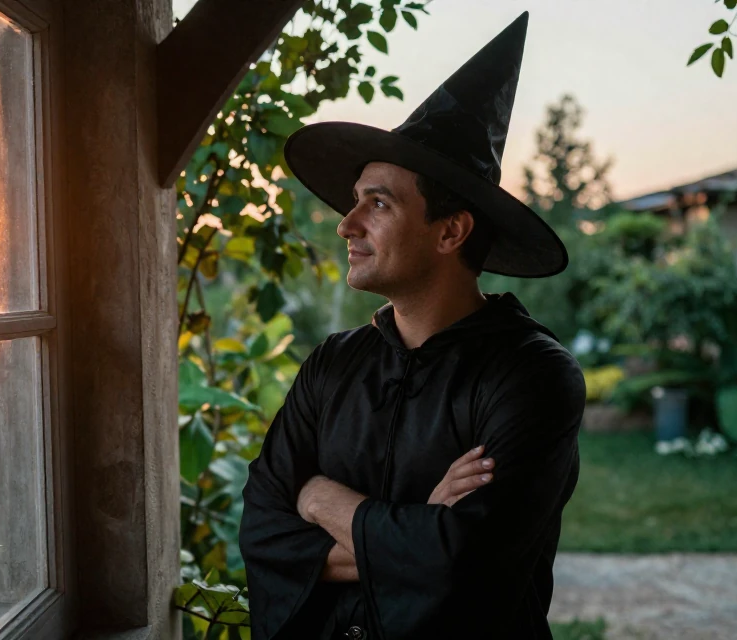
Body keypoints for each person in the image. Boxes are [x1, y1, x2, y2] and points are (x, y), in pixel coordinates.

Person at [238, 12, 585, 640]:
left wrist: (321, 501)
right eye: (355, 200)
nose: (346, 224)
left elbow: (468, 565)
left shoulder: (532, 376)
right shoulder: (333, 364)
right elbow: (262, 534)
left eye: (379, 202)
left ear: (451, 231)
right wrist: (414, 529)